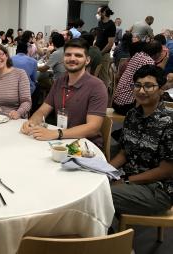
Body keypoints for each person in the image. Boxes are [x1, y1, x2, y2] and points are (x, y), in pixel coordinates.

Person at [21, 38, 108, 148]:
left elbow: (93, 128)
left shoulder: (97, 86)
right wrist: (32, 122)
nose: (72, 58)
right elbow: (43, 110)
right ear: (63, 59)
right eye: (68, 55)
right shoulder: (59, 82)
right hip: (60, 142)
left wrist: (56, 133)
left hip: (85, 146)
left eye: (78, 55)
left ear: (87, 60)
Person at [111, 64, 173, 216]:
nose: (141, 91)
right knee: (94, 183)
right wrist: (106, 171)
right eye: (137, 85)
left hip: (158, 190)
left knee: (101, 195)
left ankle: (106, 238)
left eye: (148, 86)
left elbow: (166, 171)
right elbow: (124, 152)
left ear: (161, 89)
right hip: (130, 176)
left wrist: (127, 181)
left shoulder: (169, 122)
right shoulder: (132, 114)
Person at [112, 40, 162, 115]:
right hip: (127, 106)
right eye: (161, 53)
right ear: (157, 53)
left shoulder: (138, 55)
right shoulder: (149, 62)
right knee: (157, 93)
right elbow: (155, 81)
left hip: (116, 102)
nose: (161, 55)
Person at [94, 5, 116, 87]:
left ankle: (104, 95)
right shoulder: (100, 22)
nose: (97, 14)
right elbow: (99, 36)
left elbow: (110, 43)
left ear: (103, 13)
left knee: (103, 75)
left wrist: (101, 53)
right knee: (96, 74)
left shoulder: (111, 25)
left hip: (104, 54)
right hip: (97, 52)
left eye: (98, 12)